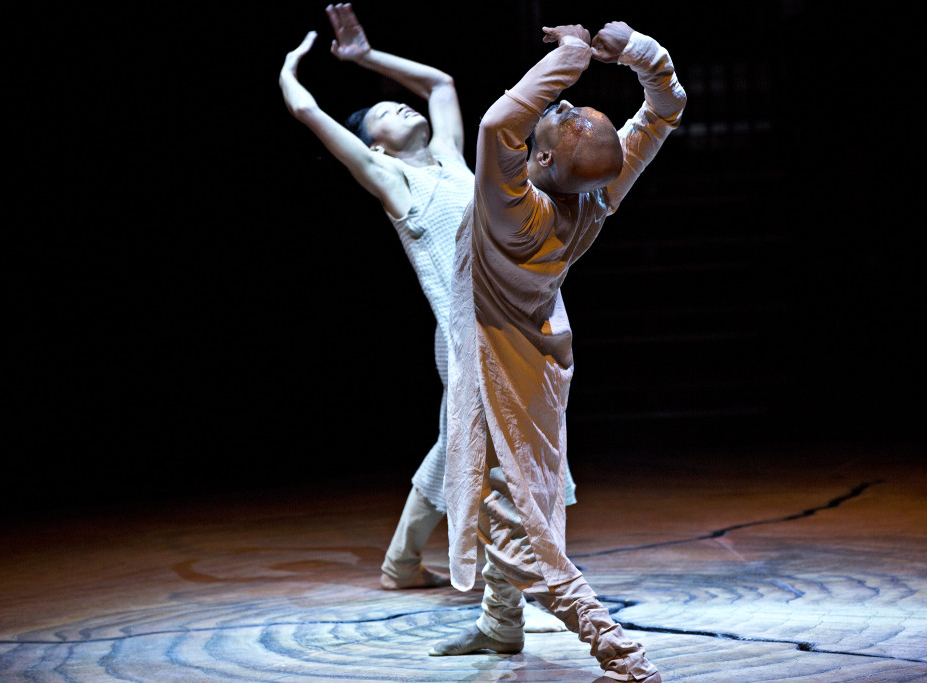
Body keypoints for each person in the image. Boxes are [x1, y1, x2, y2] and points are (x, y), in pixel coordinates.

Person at [278, 4, 570, 631]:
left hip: (517, 323)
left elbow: (439, 85)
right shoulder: (391, 181)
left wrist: (365, 58)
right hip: (469, 338)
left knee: (459, 443)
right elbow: (306, 111)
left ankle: (404, 561)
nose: (401, 109)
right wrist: (290, 69)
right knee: (500, 446)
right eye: (385, 113)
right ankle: (529, 569)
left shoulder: (456, 163)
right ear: (373, 143)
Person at [433, 19, 686, 683]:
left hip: (504, 365)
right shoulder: (599, 194)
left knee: (517, 525)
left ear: (541, 163)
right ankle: (500, 621)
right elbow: (667, 105)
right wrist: (634, 52)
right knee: (513, 493)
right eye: (575, 103)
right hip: (542, 356)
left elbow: (494, 127)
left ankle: (620, 652)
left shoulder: (516, 213)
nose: (564, 105)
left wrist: (574, 56)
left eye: (567, 113)